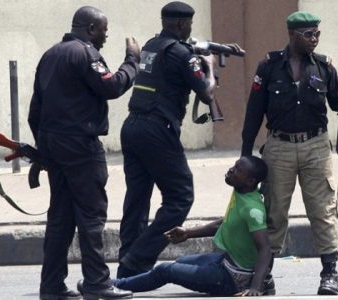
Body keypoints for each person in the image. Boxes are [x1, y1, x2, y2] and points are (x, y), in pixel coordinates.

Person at [28, 6, 140, 300]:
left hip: (53, 143)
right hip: (80, 145)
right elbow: (112, 86)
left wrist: (43, 149)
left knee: (60, 218)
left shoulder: (51, 54)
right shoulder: (85, 54)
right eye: (104, 29)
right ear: (91, 28)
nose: (106, 35)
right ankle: (97, 283)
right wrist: (132, 60)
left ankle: (51, 286)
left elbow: (35, 110)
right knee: (91, 216)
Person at [240, 11, 338, 295]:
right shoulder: (268, 67)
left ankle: (330, 273)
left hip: (316, 145)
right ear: (292, 35)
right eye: (309, 34)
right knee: (275, 212)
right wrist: (245, 153)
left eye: (317, 34)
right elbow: (254, 113)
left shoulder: (326, 67)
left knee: (323, 211)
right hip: (279, 147)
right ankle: (265, 275)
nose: (314, 39)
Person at [116, 1, 218, 278]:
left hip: (133, 126)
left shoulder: (152, 45)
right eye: (189, 24)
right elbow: (207, 94)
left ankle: (128, 262)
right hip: (157, 130)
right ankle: (136, 260)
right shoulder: (182, 54)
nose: (190, 29)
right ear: (182, 25)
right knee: (180, 197)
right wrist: (209, 66)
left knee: (137, 199)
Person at [109, 156, 271, 296]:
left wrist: (255, 287)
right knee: (180, 262)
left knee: (165, 270)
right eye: (234, 165)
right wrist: (188, 233)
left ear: (250, 181)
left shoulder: (252, 210)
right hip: (224, 261)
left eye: (238, 170)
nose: (231, 170)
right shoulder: (241, 191)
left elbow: (265, 249)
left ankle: (112, 285)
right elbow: (224, 223)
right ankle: (115, 284)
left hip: (233, 278)